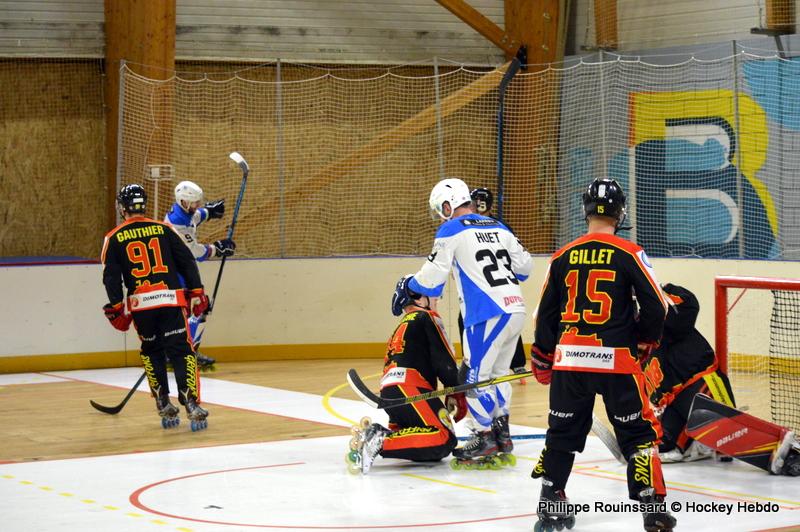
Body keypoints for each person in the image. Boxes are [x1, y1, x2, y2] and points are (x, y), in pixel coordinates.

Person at [530, 177, 675, 532]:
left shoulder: (562, 256)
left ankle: (550, 504)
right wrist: (644, 341)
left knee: (561, 434)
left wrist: (543, 357)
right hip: (617, 362)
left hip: (570, 362)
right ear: (620, 212)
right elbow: (657, 306)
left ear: (585, 211)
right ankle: (652, 509)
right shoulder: (630, 252)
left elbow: (545, 315)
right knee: (638, 435)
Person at [407, 177, 533, 466]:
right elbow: (525, 268)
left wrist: (409, 284)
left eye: (441, 209)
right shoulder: (499, 226)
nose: (442, 215)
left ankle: (484, 436)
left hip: (485, 312)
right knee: (498, 374)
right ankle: (502, 433)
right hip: (515, 308)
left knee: (472, 380)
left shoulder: (451, 228)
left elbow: (432, 277)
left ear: (448, 205)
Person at [101, 184, 210, 431]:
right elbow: (187, 261)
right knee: (182, 351)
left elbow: (111, 278)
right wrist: (196, 291)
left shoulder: (113, 237)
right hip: (169, 301)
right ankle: (191, 403)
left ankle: (162, 401)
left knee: (152, 351)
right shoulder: (164, 229)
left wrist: (117, 307)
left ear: (122, 208)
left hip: (142, 307)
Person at [347, 275, 467, 474]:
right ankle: (380, 440)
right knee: (444, 438)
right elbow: (444, 360)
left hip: (392, 391)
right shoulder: (427, 317)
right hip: (410, 388)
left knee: (431, 450)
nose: (437, 300)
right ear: (418, 297)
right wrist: (457, 392)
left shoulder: (403, 325)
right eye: (433, 295)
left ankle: (383, 437)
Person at [642, 282, 736, 463]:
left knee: (724, 432)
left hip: (701, 381)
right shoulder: (637, 342)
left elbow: (688, 305)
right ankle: (693, 444)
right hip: (674, 402)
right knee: (662, 443)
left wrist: (660, 291)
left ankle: (708, 439)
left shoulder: (669, 323)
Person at [164, 180, 236, 370]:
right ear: (183, 201)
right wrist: (218, 249)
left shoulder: (182, 213)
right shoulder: (177, 224)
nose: (197, 205)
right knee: (198, 309)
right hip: (178, 274)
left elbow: (195, 217)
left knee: (192, 312)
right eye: (194, 202)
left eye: (198, 202)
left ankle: (180, 352)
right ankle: (187, 353)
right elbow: (196, 252)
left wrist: (209, 212)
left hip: (181, 271)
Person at [461, 187, 528, 376]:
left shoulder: (468, 226)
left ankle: (476, 362)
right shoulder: (499, 226)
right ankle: (474, 360)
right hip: (496, 285)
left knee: (502, 319)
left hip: (490, 285)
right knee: (509, 319)